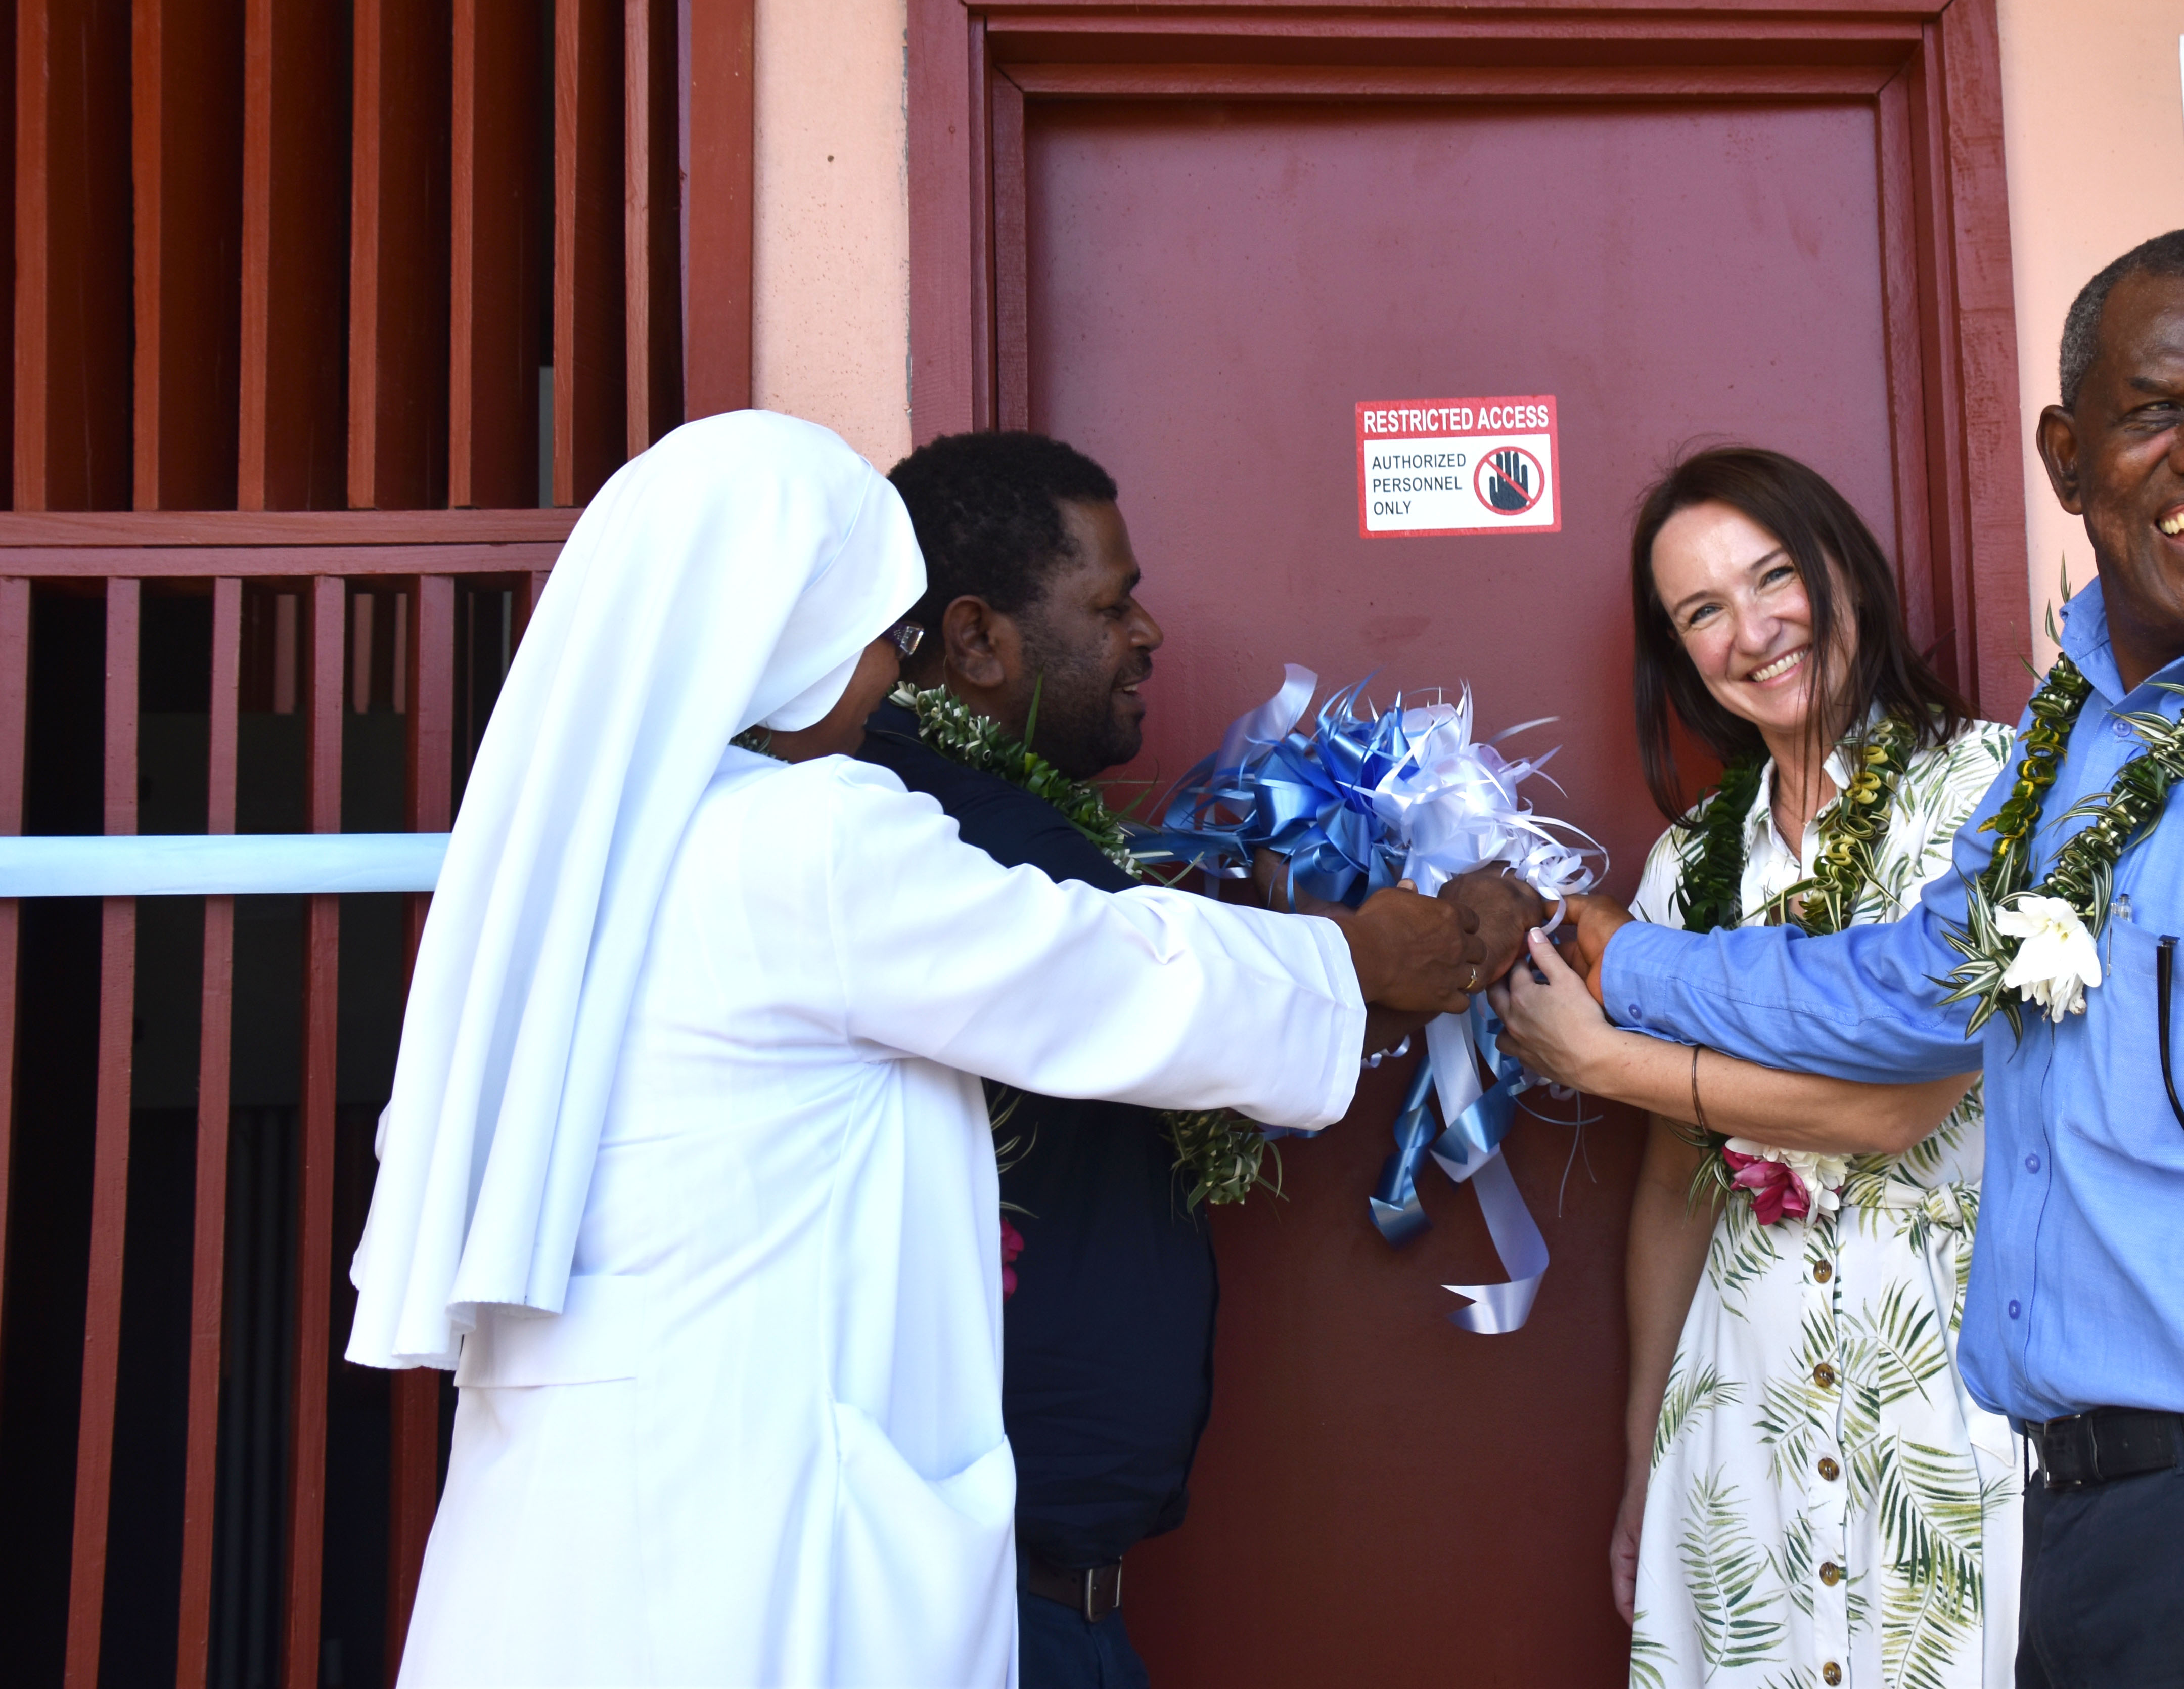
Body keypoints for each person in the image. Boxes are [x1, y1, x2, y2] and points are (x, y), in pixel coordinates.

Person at [1500, 228, 2184, 1689]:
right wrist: (1634, 962)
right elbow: (1911, 986)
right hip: (2082, 1527)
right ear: (2067, 454)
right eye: (2156, 411)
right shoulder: (2080, 740)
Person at [345, 411, 1517, 1685]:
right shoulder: (803, 839)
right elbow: (1092, 976)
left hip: (575, 1530)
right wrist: (1363, 957)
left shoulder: (569, 867)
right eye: (884, 639)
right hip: (746, 1541)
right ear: (781, 628)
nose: (890, 682)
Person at [857, 428, 1537, 1687]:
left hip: (1047, 1595)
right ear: (974, 639)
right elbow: (1151, 984)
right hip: (970, 1610)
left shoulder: (1020, 831)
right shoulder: (940, 837)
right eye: (1111, 604)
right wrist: (1430, 938)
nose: (1148, 632)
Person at [1494, 447, 2019, 1688]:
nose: (1754, 631)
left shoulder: (1992, 790)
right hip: (1746, 1411)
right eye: (1704, 611)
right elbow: (1679, 1186)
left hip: (1941, 1404)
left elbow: (1894, 1104)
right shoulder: (1691, 865)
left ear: (1846, 570)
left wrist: (1606, 1061)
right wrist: (1642, 1456)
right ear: (1678, 654)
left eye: (1775, 576)